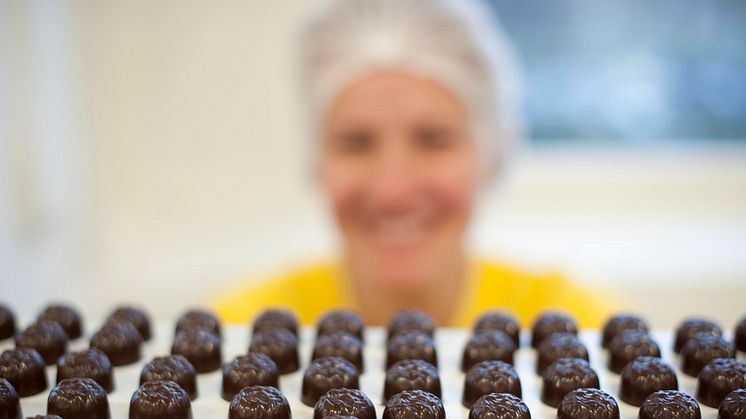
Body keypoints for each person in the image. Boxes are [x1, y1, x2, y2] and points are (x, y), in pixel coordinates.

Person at [214, 0, 613, 328]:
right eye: (355, 143)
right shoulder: (243, 329)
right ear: (317, 159)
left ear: (492, 151)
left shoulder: (573, 326)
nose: (393, 189)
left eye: (433, 140)